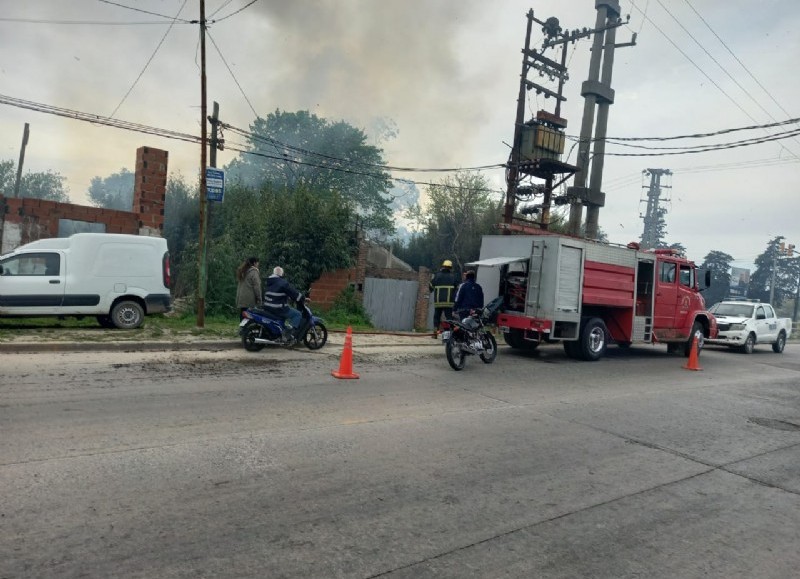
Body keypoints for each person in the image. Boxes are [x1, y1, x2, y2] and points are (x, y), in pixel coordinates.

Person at [262, 266, 304, 337]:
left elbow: (277, 294)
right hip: (278, 309)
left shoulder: (269, 282)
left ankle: (280, 331)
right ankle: (287, 334)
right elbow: (293, 293)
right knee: (297, 314)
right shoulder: (282, 283)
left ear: (274, 273)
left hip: (268, 307)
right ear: (281, 274)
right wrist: (302, 298)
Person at [429, 259, 458, 338]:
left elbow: (430, 287)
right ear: (450, 268)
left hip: (438, 301)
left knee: (436, 317)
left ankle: (435, 333)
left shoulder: (437, 275)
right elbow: (457, 288)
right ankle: (451, 334)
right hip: (449, 302)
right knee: (449, 318)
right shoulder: (453, 277)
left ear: (443, 266)